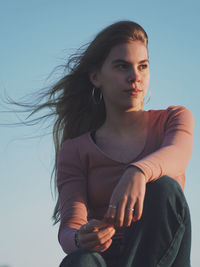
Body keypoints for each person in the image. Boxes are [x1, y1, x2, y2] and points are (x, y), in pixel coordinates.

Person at [50, 21, 194, 267]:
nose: (135, 77)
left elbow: (177, 153)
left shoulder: (174, 119)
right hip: (105, 259)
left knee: (163, 189)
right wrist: (81, 237)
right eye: (122, 66)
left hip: (162, 256)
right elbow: (70, 227)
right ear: (96, 77)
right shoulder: (75, 150)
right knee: (80, 260)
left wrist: (137, 171)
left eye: (143, 66)